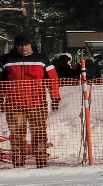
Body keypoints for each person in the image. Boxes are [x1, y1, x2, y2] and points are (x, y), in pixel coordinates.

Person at [2, 34, 61, 167]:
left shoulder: (41, 59)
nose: (23, 48)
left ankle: (41, 160)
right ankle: (18, 161)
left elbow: (53, 79)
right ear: (15, 46)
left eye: (26, 45)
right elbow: (1, 83)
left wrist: (55, 97)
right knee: (17, 135)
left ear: (31, 45)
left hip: (37, 104)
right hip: (14, 105)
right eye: (20, 46)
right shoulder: (6, 60)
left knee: (39, 133)